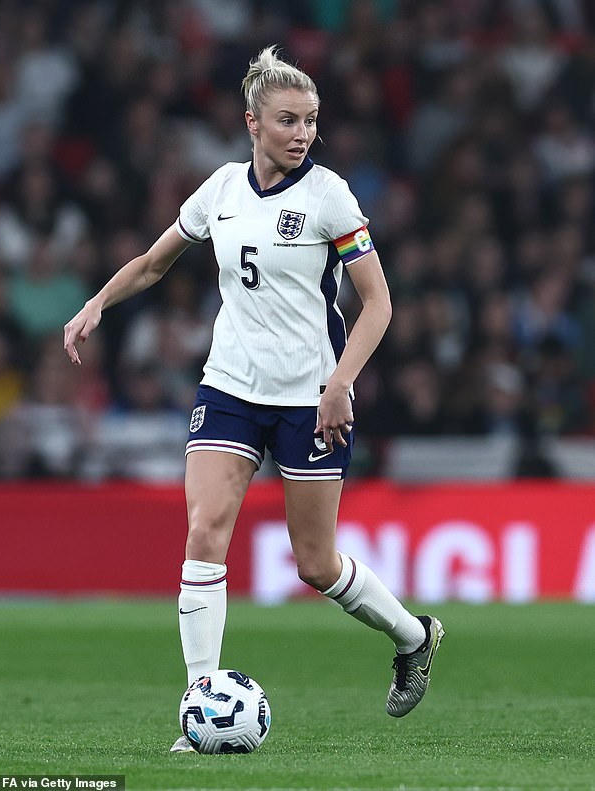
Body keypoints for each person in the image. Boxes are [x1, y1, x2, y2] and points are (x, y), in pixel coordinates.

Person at [63, 46, 445, 752]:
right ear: (252, 122)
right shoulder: (220, 192)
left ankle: (415, 635)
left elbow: (380, 303)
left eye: (311, 122)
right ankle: (198, 707)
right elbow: (153, 264)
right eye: (288, 120)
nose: (302, 133)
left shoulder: (329, 195)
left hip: (310, 397)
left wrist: (340, 382)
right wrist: (97, 301)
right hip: (230, 386)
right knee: (205, 528)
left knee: (316, 564)